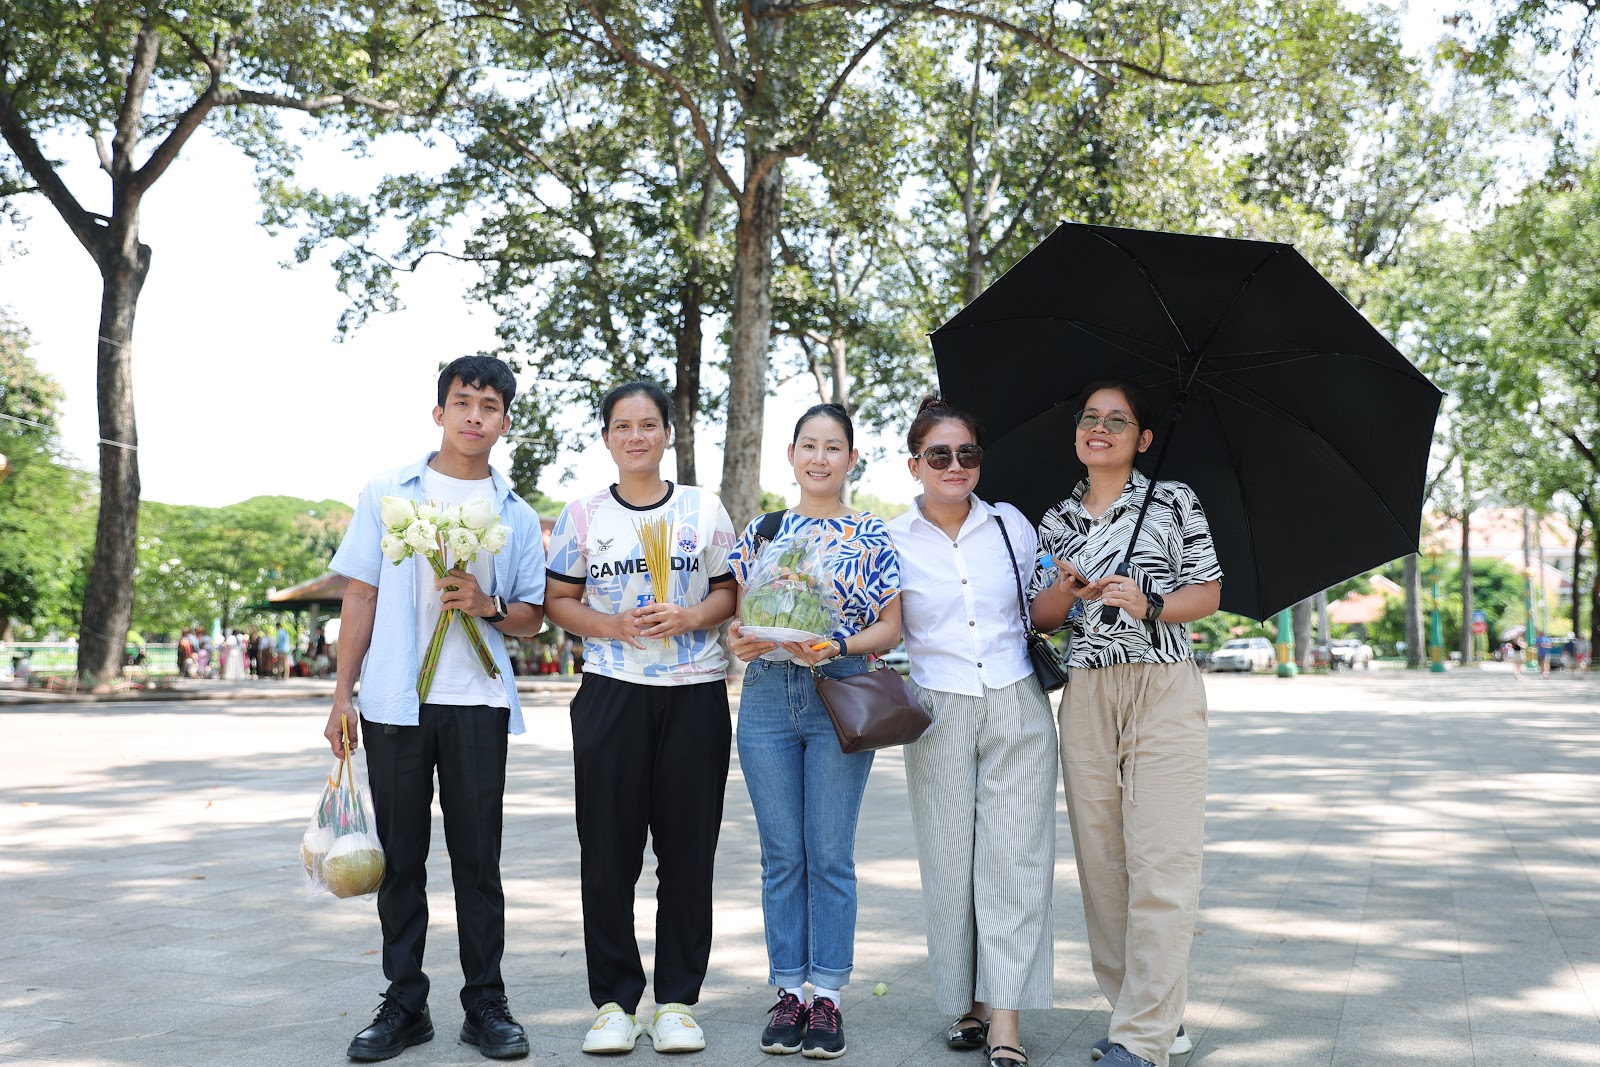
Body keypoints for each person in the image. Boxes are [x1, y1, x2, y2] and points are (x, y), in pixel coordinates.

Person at [324, 355, 548, 1063]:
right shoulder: (388, 493)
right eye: (462, 402)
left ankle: (486, 1003)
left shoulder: (513, 513)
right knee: (402, 861)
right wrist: (342, 694)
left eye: (489, 406)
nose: (474, 416)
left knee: (479, 861)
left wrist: (487, 604)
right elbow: (360, 594)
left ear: (505, 422)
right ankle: (404, 1003)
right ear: (439, 412)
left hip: (477, 701)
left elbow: (533, 616)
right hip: (395, 701)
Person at [1029, 380, 1222, 1067]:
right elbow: (1043, 617)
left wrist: (1151, 603)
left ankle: (1142, 1039)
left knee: (1162, 859)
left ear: (1144, 438)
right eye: (1091, 416)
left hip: (1162, 684)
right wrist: (1065, 591)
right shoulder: (1055, 518)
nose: (1100, 427)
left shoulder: (1174, 500)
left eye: (1118, 420)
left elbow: (1209, 591)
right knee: (1104, 866)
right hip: (1087, 691)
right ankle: (1142, 1012)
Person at [543, 381, 737, 1056]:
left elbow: (728, 588)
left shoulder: (702, 509)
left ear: (667, 434)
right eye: (622, 426)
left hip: (695, 691)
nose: (636, 436)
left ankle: (678, 1002)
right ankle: (614, 1004)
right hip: (611, 691)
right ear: (606, 438)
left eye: (648, 424)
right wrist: (612, 624)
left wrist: (689, 616)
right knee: (608, 855)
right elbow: (559, 599)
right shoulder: (583, 514)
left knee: (687, 855)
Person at [726, 403, 902, 1060]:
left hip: (840, 688)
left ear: (851, 459)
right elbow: (739, 616)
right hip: (768, 696)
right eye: (809, 444)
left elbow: (892, 626)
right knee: (781, 854)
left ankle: (826, 995)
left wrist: (839, 644)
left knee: (829, 851)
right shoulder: (765, 530)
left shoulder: (872, 533)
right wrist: (739, 640)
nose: (819, 457)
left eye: (833, 447)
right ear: (792, 454)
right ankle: (787, 991)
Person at [885, 396, 1056, 1067]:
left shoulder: (1012, 525)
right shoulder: (890, 537)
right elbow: (881, 626)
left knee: (1013, 860)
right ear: (914, 464)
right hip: (937, 708)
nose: (955, 465)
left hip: (1016, 701)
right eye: (939, 454)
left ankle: (1006, 1016)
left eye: (968, 453)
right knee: (951, 862)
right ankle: (968, 1000)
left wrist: (1067, 592)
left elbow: (1040, 610)